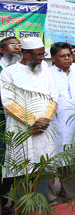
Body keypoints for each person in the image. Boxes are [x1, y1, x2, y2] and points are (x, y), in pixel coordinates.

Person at [1, 37, 60, 194]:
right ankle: (23, 214)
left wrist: (44, 120)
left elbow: (54, 97)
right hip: (22, 130)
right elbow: (8, 102)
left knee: (43, 169)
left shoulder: (46, 71)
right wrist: (33, 122)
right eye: (38, 55)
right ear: (25, 53)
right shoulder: (8, 72)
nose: (41, 58)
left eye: (43, 54)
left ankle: (40, 209)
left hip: (44, 129)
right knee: (22, 170)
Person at [49, 41, 75, 202]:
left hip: (73, 125)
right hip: (52, 125)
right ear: (53, 58)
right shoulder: (46, 73)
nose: (67, 59)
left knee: (69, 162)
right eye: (62, 56)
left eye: (69, 55)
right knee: (49, 162)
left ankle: (70, 196)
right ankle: (50, 199)